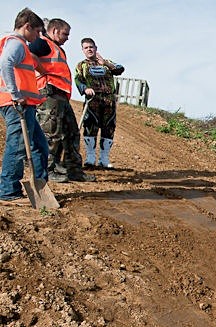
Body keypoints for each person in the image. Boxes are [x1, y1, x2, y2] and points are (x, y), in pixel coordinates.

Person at [35, 18, 95, 183]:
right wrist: (42, 71)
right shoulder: (43, 43)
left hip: (61, 97)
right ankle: (49, 170)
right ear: (54, 30)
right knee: (51, 134)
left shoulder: (56, 48)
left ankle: (73, 170)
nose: (68, 38)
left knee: (71, 133)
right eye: (65, 34)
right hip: (49, 95)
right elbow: (27, 55)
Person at [0, 8, 49, 205]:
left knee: (39, 145)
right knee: (18, 145)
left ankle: (40, 184)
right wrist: (15, 94)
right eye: (37, 31)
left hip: (24, 105)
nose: (37, 36)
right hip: (16, 105)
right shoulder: (16, 43)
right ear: (27, 27)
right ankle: (8, 190)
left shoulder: (20, 45)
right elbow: (5, 63)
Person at [74, 37, 124, 168]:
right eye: (86, 48)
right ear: (83, 50)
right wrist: (85, 89)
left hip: (109, 100)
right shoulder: (81, 65)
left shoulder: (107, 63)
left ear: (96, 48)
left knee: (109, 128)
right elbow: (78, 79)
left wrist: (106, 63)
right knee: (90, 126)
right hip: (92, 100)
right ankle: (90, 157)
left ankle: (104, 158)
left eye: (91, 47)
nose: (89, 49)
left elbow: (120, 69)